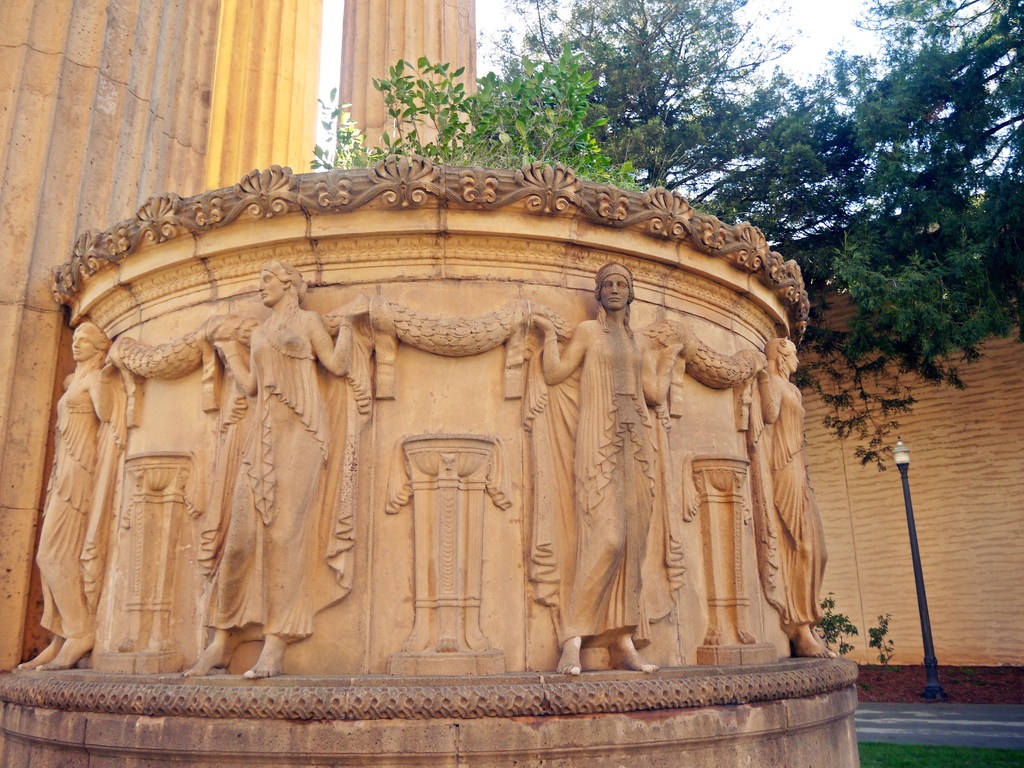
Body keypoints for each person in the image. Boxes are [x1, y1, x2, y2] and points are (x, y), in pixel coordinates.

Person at [184, 261, 352, 679]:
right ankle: (221, 640)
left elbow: (336, 365)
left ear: (290, 285)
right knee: (239, 540)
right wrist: (228, 351)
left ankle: (276, 644)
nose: (261, 287)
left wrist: (349, 326)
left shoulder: (310, 322)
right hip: (263, 436)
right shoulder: (258, 333)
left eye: (268, 280)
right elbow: (252, 386)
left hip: (304, 434)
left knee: (284, 538)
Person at [531, 262, 680, 675]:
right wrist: (546, 337)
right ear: (598, 293)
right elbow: (555, 372)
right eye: (608, 284)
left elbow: (653, 393)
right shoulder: (587, 333)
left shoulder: (638, 343)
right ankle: (572, 639)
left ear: (630, 294)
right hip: (599, 439)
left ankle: (623, 640)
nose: (614, 289)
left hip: (636, 443)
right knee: (608, 538)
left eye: (622, 284)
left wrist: (668, 359)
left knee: (634, 541)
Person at [19, 323, 124, 671]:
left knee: (53, 554)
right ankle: (61, 635)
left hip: (80, 472)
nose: (77, 344)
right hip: (63, 469)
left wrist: (113, 375)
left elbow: (109, 417)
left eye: (85, 340)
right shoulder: (73, 382)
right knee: (48, 556)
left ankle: (81, 631)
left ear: (98, 346)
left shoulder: (94, 380)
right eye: (75, 339)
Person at [750, 337, 833, 658]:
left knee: (819, 551)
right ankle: (798, 626)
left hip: (799, 467)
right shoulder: (773, 381)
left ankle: (807, 621)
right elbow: (769, 415)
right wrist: (761, 373)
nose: (797, 359)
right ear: (781, 356)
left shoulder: (793, 389)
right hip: (782, 467)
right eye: (793, 354)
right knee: (801, 545)